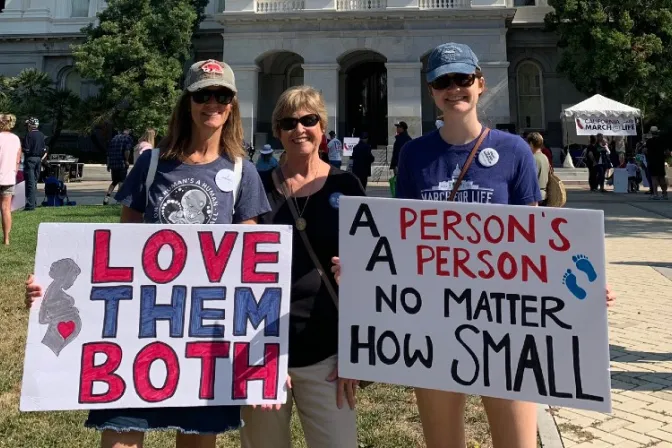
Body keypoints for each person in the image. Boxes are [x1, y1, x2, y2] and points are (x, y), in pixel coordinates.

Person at [333, 42, 616, 448]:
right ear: (431, 90)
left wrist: (576, 291)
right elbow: (404, 241)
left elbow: (533, 239)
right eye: (442, 81)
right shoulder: (415, 155)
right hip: (434, 322)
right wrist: (364, 270)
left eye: (462, 79)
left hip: (505, 326)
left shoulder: (513, 151)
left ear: (480, 84)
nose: (454, 89)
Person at [25, 59, 271, 448]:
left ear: (232, 104)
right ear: (187, 102)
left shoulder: (244, 172)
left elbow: (249, 267)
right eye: (202, 94)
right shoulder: (152, 163)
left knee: (196, 439)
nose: (212, 103)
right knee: (122, 435)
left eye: (221, 95)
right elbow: (121, 250)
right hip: (138, 327)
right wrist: (52, 291)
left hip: (202, 333)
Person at [241, 85, 365, 448]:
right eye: (288, 122)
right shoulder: (256, 188)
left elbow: (370, 279)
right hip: (262, 347)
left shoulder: (348, 186)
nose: (300, 129)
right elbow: (238, 272)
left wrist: (354, 354)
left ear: (322, 126)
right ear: (277, 131)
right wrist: (255, 353)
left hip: (327, 352)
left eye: (309, 120)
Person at [0, 113, 21, 245]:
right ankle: (6, 238)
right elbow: (18, 159)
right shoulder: (16, 139)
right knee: (6, 208)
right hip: (8, 177)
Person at [22, 117, 47, 211]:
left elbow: (26, 149)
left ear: (30, 125)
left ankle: (30, 205)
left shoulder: (29, 135)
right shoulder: (41, 135)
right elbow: (44, 150)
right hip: (38, 159)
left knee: (30, 182)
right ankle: (34, 202)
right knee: (35, 182)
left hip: (30, 159)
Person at [103, 128, 133, 205]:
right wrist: (126, 160)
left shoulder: (114, 138)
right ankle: (119, 200)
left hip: (113, 163)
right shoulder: (128, 138)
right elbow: (127, 150)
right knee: (122, 181)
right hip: (121, 163)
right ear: (128, 132)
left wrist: (108, 164)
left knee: (114, 181)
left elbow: (108, 153)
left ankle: (107, 198)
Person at [645, 126, 669, 200]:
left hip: (652, 161)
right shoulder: (662, 140)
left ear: (651, 133)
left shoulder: (649, 141)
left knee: (654, 178)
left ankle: (655, 194)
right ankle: (665, 193)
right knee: (662, 177)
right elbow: (667, 152)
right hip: (660, 161)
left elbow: (645, 151)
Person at [527, 132, 550, 206]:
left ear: (531, 144)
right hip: (544, 195)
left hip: (535, 196)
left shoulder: (533, 158)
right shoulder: (544, 157)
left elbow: (531, 179)